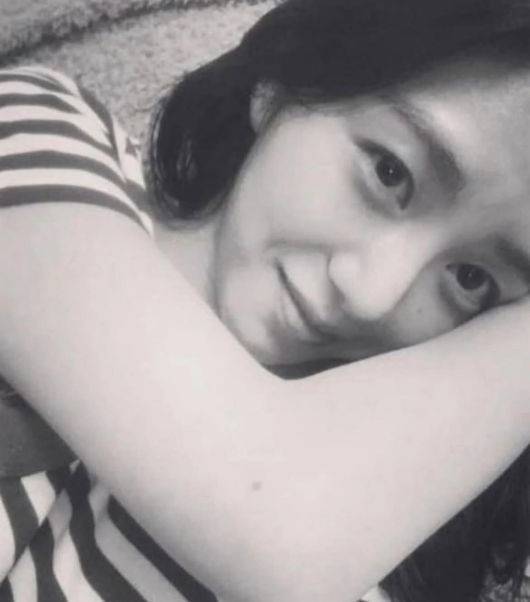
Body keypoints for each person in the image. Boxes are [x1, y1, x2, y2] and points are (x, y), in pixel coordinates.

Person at [0, 1, 530, 601]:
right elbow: (278, 524)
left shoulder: (364, 550)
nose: (372, 296)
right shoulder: (41, 133)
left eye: (470, 278)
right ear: (283, 83)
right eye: (389, 172)